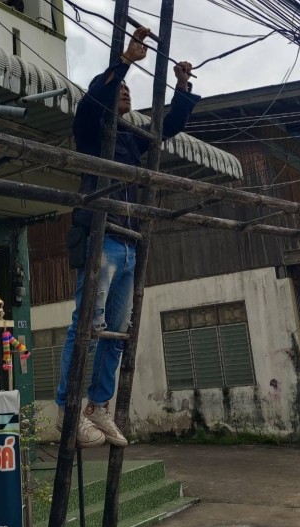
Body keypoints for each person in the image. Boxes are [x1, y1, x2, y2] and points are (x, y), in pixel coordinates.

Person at [56, 27, 200, 447]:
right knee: (87, 324)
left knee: (118, 330)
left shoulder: (131, 141)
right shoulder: (89, 129)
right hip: (100, 235)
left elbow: (167, 126)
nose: (126, 96)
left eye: (128, 93)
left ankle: (98, 407)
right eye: (119, 92)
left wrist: (182, 87)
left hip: (129, 240)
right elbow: (92, 100)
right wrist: (125, 60)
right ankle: (69, 407)